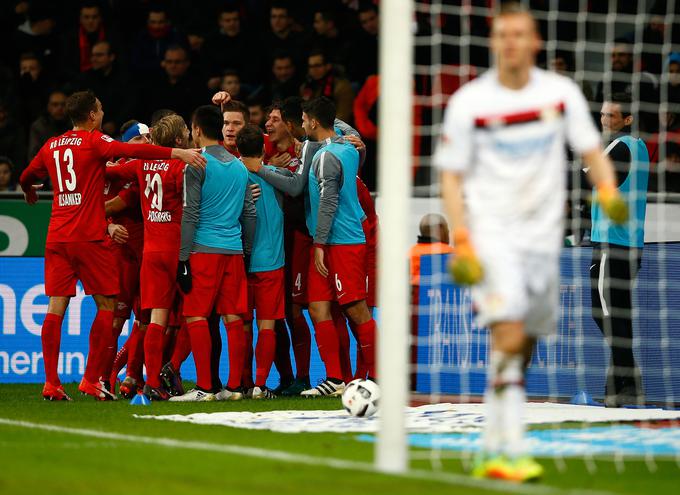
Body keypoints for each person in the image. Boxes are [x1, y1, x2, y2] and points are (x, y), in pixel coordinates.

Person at [435, 3, 627, 482]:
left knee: (525, 341)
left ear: (535, 41)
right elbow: (452, 177)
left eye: (520, 34)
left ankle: (491, 443)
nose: (512, 42)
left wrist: (607, 190)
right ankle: (511, 450)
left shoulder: (559, 93)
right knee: (509, 330)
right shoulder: (470, 103)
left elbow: (591, 151)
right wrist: (461, 237)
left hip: (544, 238)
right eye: (503, 35)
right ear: (494, 42)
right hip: (492, 233)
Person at [18, 90, 205, 401]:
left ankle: (51, 382)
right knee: (107, 307)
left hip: (56, 237)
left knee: (55, 308)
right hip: (90, 239)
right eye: (101, 109)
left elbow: (27, 176)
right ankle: (92, 379)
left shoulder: (51, 145)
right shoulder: (95, 140)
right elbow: (135, 153)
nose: (103, 114)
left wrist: (29, 191)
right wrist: (177, 154)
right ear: (92, 115)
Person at [170, 105, 256, 402]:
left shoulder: (196, 164)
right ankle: (234, 388)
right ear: (218, 129)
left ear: (195, 130)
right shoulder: (240, 166)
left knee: (195, 317)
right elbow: (249, 213)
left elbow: (190, 213)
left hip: (202, 251)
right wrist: (245, 250)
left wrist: (182, 258)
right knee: (233, 318)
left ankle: (206, 388)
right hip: (233, 251)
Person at [105, 114, 190, 400]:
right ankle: (176, 372)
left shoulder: (140, 165)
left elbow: (113, 171)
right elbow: (191, 209)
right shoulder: (180, 167)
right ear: (178, 141)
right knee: (195, 316)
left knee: (155, 318)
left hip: (151, 252)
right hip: (178, 251)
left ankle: (151, 381)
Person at [300, 97, 377, 396]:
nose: (303, 124)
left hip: (341, 242)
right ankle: (335, 378)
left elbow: (329, 202)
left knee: (357, 311)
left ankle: (380, 377)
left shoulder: (327, 157)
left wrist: (319, 244)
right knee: (318, 308)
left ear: (314, 121)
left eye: (305, 119)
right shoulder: (348, 148)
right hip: (332, 240)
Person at [590, 92, 649, 407]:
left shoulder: (618, 146)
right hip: (631, 244)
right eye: (602, 115)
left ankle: (630, 381)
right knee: (617, 315)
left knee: (604, 313)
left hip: (611, 243)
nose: (604, 121)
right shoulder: (640, 148)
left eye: (610, 116)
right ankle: (616, 389)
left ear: (627, 120)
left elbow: (584, 179)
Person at [237, 124, 285, 399]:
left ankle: (242, 383)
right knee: (267, 324)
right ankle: (260, 385)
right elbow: (297, 185)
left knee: (242, 324)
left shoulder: (232, 176)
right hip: (271, 262)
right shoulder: (276, 175)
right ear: (264, 149)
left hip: (241, 261)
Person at [408, 214, 454, 388]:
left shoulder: (412, 251)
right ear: (440, 230)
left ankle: (413, 382)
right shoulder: (448, 252)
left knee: (416, 344)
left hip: (415, 303)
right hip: (440, 302)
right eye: (448, 230)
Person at [75, 41, 137, 136]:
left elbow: (131, 103)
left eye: (99, 55)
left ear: (111, 57)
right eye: (93, 55)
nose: (94, 59)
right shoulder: (85, 79)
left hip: (121, 131)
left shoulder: (125, 78)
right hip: (92, 131)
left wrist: (115, 123)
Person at [301, 49, 355, 123]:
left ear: (328, 66)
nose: (313, 70)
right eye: (311, 66)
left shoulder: (341, 87)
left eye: (317, 65)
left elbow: (343, 118)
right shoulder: (305, 87)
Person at [28, 89, 70, 163]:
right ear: (48, 107)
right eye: (55, 104)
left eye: (63, 104)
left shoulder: (75, 125)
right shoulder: (39, 127)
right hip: (47, 171)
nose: (59, 108)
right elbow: (34, 157)